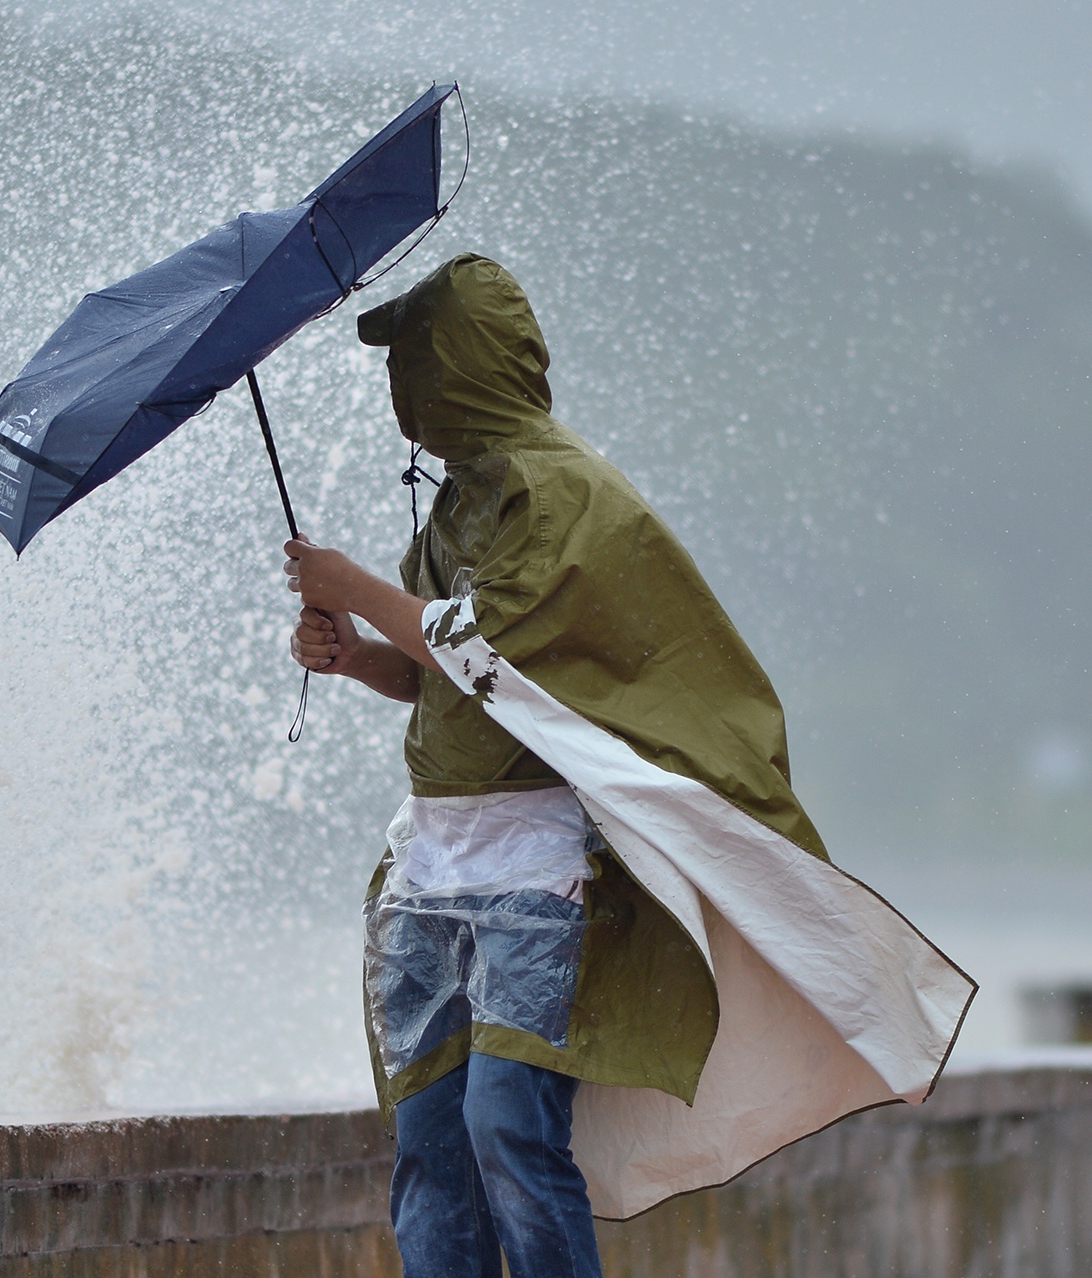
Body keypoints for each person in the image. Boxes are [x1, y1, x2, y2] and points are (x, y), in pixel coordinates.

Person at [280, 254, 972, 1277]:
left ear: (464, 366)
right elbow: (443, 680)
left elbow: (481, 647)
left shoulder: (565, 496)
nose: (401, 393)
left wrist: (356, 585)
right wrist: (353, 659)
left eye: (417, 364)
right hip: (432, 865)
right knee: (430, 1141)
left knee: (507, 1122)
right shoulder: (459, 504)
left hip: (537, 867)